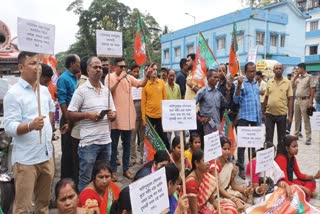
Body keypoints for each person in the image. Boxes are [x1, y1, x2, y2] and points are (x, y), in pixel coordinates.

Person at [3, 51, 55, 213]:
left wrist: (49, 130)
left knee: (43, 205)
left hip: (46, 156)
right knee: (23, 208)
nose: (38, 67)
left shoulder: (44, 91)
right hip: (26, 161)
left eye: (38, 63)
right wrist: (30, 126)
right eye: (33, 63)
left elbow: (51, 111)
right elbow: (9, 127)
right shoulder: (13, 94)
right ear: (21, 67)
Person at [68, 56, 117, 191]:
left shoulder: (106, 91)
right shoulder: (81, 90)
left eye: (100, 67)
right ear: (88, 70)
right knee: (86, 178)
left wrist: (113, 115)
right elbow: (70, 113)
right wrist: (87, 115)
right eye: (95, 67)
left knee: (104, 178)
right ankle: (85, 208)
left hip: (106, 142)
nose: (99, 70)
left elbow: (113, 111)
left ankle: (102, 206)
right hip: (89, 144)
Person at [105, 57, 152, 181]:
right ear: (115, 67)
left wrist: (147, 76)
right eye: (121, 66)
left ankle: (126, 169)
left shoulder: (129, 78)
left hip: (129, 118)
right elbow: (108, 92)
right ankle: (113, 171)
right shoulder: (109, 77)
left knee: (127, 145)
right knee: (114, 147)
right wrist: (119, 79)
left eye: (125, 67)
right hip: (115, 118)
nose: (124, 69)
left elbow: (141, 84)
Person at [233, 62, 262, 179]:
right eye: (250, 71)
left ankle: (252, 167)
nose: (252, 73)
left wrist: (260, 118)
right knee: (242, 144)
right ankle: (241, 168)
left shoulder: (256, 83)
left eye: (254, 71)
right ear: (245, 72)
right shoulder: (241, 82)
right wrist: (239, 85)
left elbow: (257, 101)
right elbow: (236, 100)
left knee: (253, 144)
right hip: (244, 117)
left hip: (255, 117)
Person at [57, 54, 81, 181]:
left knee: (75, 151)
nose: (79, 64)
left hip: (75, 118)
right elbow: (62, 100)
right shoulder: (63, 79)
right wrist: (67, 120)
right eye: (78, 62)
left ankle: (74, 178)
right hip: (68, 119)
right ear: (72, 64)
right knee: (67, 152)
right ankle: (65, 181)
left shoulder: (76, 78)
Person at [212, 136, 253, 211]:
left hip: (226, 193)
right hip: (216, 196)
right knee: (235, 207)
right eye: (224, 149)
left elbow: (233, 185)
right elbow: (219, 189)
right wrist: (235, 200)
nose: (227, 151)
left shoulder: (229, 165)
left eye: (228, 149)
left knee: (248, 198)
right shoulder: (214, 166)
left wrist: (245, 190)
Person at [275, 135, 320, 201]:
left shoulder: (293, 157)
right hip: (283, 186)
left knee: (312, 181)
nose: (297, 148)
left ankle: (305, 194)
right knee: (298, 190)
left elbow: (299, 175)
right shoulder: (281, 159)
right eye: (294, 146)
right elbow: (285, 181)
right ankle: (305, 195)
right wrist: (303, 188)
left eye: (297, 146)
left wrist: (314, 176)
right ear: (287, 148)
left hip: (291, 182)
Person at [263, 63, 293, 146]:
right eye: (276, 68)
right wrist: (263, 113)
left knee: (282, 139)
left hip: (282, 114)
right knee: (268, 138)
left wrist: (290, 115)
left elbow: (290, 99)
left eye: (280, 68)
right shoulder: (269, 82)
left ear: (283, 70)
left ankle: (280, 157)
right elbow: (266, 98)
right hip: (269, 114)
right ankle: (268, 156)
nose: (278, 70)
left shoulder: (287, 82)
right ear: (273, 70)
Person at [141, 63, 169, 149]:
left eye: (156, 69)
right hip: (149, 117)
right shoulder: (145, 84)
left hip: (160, 116)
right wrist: (143, 118)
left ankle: (167, 155)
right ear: (148, 71)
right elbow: (143, 102)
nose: (155, 71)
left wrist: (166, 115)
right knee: (150, 139)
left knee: (163, 137)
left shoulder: (161, 82)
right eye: (153, 69)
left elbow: (165, 99)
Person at [195, 69, 230, 135]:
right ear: (208, 78)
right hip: (207, 126)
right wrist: (199, 118)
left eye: (218, 78)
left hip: (217, 126)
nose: (217, 79)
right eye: (215, 77)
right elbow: (191, 105)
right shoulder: (202, 91)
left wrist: (228, 91)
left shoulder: (218, 93)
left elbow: (226, 104)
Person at [291, 63, 315, 145]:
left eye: (298, 68)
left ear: (302, 68)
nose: (297, 70)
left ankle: (308, 137)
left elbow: (312, 89)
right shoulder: (297, 78)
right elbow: (292, 86)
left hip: (305, 100)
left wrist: (311, 102)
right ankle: (296, 135)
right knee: (297, 119)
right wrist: (295, 76)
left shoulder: (309, 77)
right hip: (297, 100)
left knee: (306, 119)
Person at [129, 64, 144, 166]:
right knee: (132, 139)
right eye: (134, 71)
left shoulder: (142, 83)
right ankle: (133, 158)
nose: (136, 73)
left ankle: (143, 158)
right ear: (130, 72)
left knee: (143, 139)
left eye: (138, 71)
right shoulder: (129, 83)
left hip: (142, 116)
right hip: (133, 117)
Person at [166, 69, 181, 141]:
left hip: (176, 115)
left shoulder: (177, 87)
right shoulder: (164, 86)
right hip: (167, 115)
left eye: (173, 76)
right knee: (168, 136)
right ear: (167, 76)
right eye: (170, 76)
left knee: (178, 136)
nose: (172, 77)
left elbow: (179, 99)